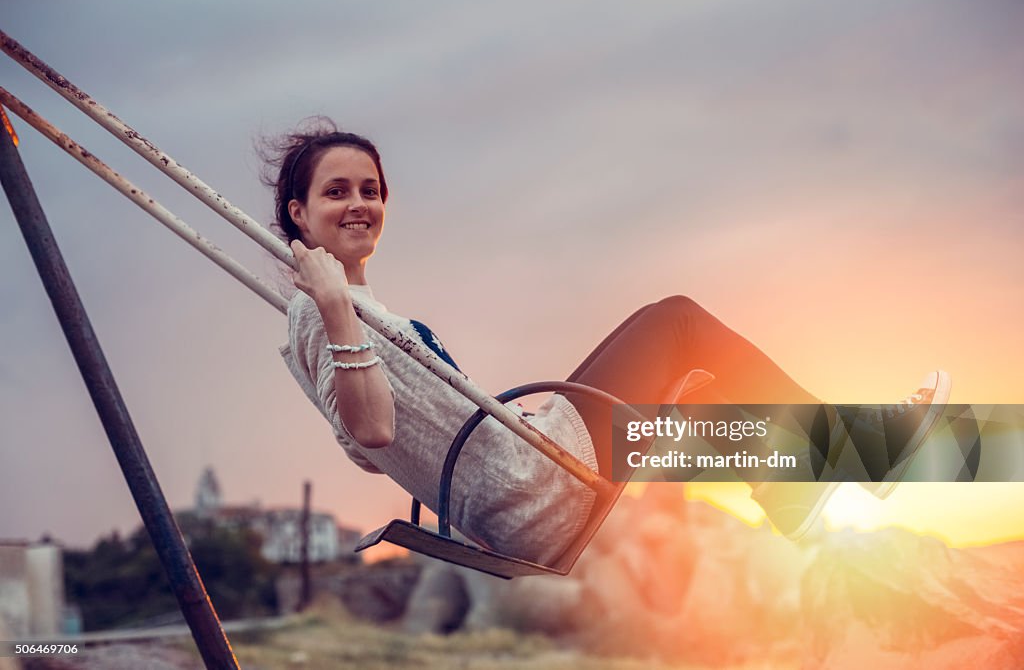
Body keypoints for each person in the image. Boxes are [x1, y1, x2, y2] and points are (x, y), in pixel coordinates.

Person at [270, 119, 950, 563]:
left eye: (371, 188)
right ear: (299, 213)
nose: (360, 202)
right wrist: (334, 309)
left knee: (702, 391)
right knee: (678, 323)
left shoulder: (341, 309)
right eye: (337, 192)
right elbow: (373, 430)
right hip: (531, 488)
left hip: (518, 479)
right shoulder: (322, 312)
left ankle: (792, 493)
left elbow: (371, 441)